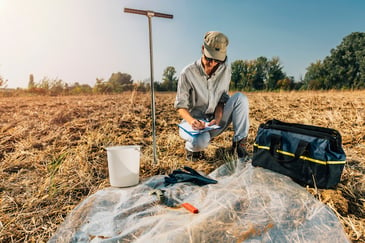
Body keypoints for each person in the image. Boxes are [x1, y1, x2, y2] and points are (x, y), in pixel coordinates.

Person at [174, 31, 250, 161]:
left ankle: (239, 145)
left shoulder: (225, 70)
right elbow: (181, 106)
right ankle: (193, 150)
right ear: (203, 49)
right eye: (209, 58)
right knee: (201, 141)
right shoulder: (187, 73)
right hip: (193, 124)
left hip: (213, 122)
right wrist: (193, 122)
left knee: (240, 99)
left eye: (217, 60)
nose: (213, 63)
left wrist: (218, 118)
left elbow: (222, 99)